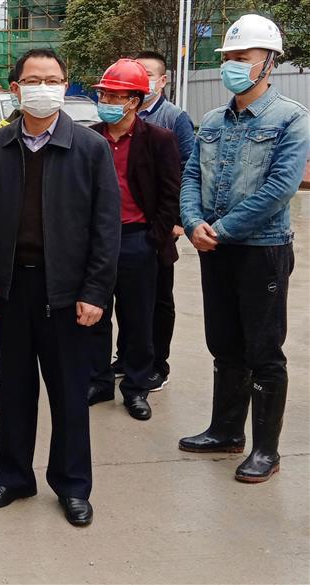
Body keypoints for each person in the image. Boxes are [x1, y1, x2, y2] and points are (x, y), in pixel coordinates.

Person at [0, 48, 120, 526]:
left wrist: (95, 292)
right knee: (14, 389)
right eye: (33, 80)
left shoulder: (90, 148)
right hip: (12, 290)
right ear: (16, 89)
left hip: (68, 295)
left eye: (53, 80)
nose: (43, 88)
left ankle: (72, 485)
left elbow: (106, 227)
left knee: (70, 394)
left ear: (65, 86)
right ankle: (13, 477)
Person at [178, 15, 309, 483]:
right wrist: (192, 222)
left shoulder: (291, 118)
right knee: (224, 344)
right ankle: (226, 431)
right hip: (215, 248)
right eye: (227, 58)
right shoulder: (214, 120)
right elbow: (191, 176)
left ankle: (266, 450)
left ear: (269, 62)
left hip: (261, 250)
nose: (231, 65)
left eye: (242, 57)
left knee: (264, 351)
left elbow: (280, 188)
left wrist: (220, 229)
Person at [87, 59, 181, 420]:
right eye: (104, 95)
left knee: (139, 319)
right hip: (96, 241)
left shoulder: (158, 140)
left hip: (137, 240)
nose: (108, 101)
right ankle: (99, 381)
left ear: (134, 101)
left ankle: (137, 387)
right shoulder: (90, 138)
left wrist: (153, 239)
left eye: (116, 96)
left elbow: (170, 195)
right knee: (94, 314)